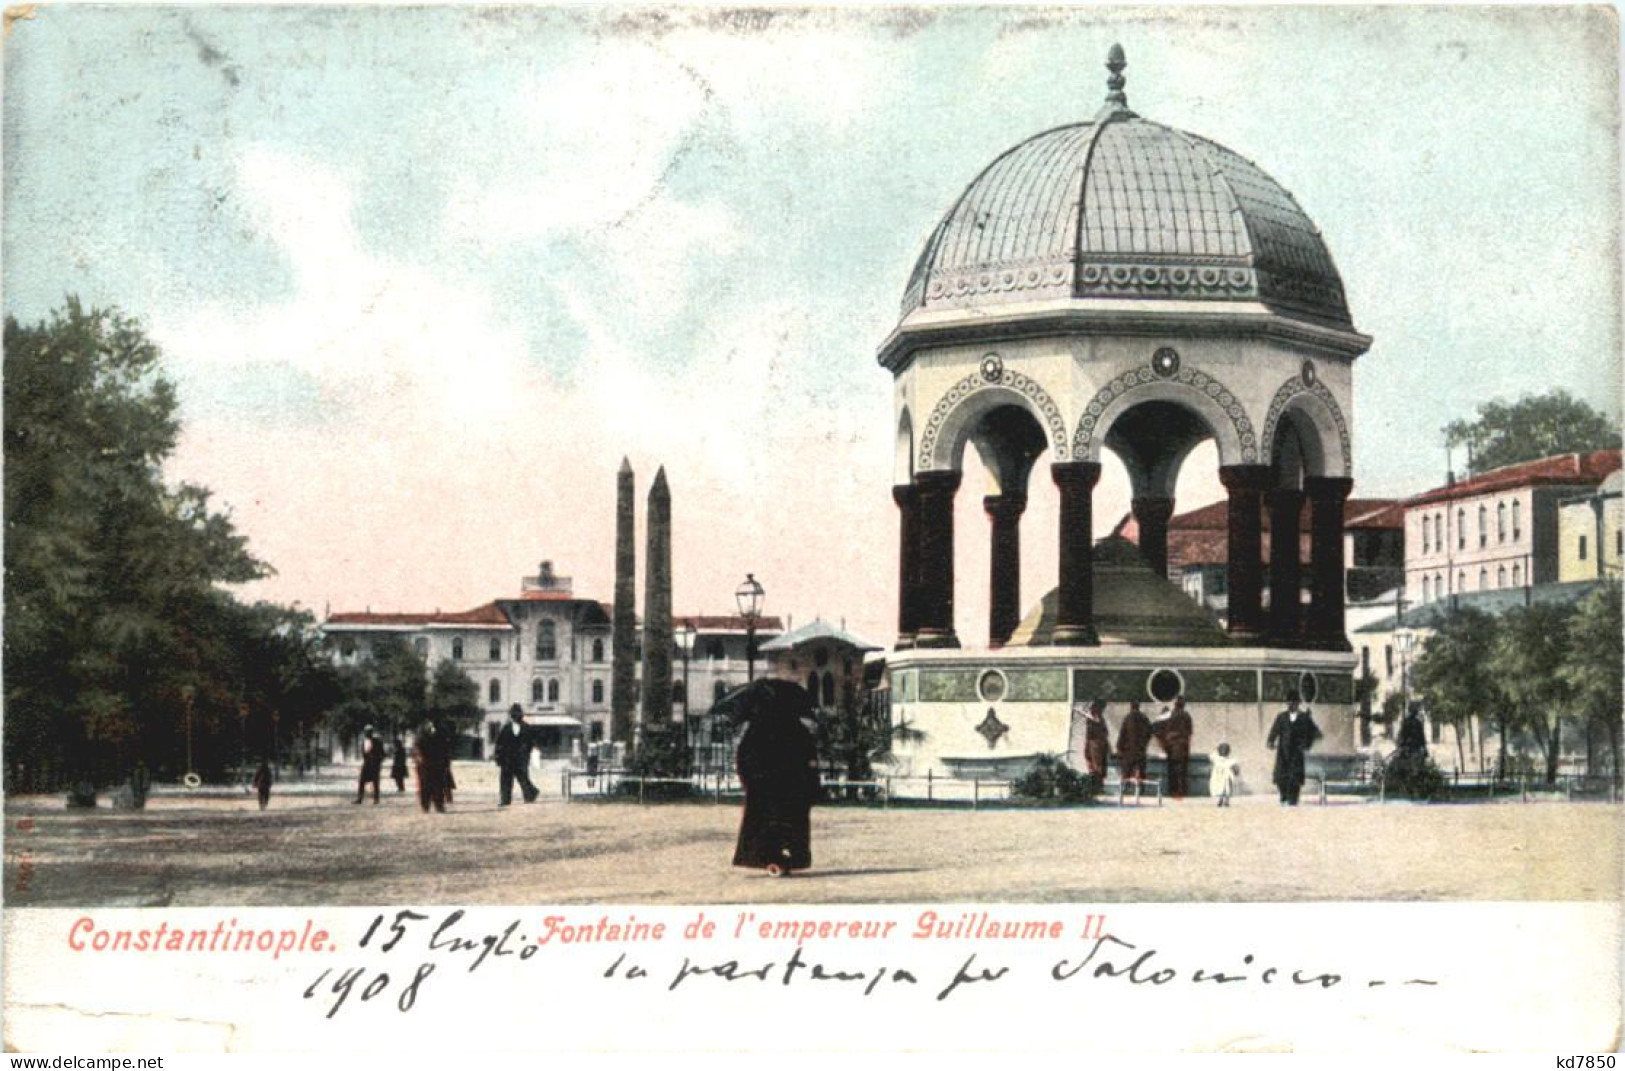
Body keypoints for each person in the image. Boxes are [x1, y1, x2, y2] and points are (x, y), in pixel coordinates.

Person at [724, 680, 820, 877]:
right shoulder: (797, 728)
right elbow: (809, 758)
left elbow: (744, 758)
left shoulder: (756, 728)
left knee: (765, 825)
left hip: (764, 787)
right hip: (791, 787)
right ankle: (786, 859)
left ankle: (770, 859)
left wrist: (749, 780)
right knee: (789, 825)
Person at [1266, 691, 1322, 805]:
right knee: (1280, 777)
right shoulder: (1281, 717)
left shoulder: (1304, 717)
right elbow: (1274, 731)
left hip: (1296, 753)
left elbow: (1316, 733)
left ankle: (1293, 799)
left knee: (1295, 778)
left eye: (1294, 703)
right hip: (1283, 752)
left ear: (1298, 704)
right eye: (1289, 702)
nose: (1291, 705)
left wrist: (1306, 744)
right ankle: (1283, 797)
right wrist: (1270, 741)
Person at [494, 704, 540, 806]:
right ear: (511, 715)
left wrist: (526, 754)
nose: (515, 716)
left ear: (521, 715)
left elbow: (531, 743)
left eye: (517, 714)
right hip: (507, 759)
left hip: (520, 759)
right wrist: (497, 757)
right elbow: (499, 743)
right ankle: (505, 800)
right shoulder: (506, 728)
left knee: (523, 778)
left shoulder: (526, 728)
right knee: (505, 780)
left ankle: (530, 795)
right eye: (514, 714)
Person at [1152, 698, 1195, 800]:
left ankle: (1173, 791)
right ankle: (1182, 791)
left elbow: (1155, 727)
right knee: (1182, 770)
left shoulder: (1169, 715)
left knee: (1172, 769)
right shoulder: (1187, 716)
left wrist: (1163, 743)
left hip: (1172, 747)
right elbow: (1190, 733)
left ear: (1175, 705)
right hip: (1183, 746)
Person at [413, 722, 449, 814]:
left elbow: (445, 750)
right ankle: (425, 806)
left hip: (437, 764)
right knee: (425, 786)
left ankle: (439, 806)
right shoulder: (421, 736)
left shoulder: (440, 736)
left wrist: (446, 763)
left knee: (438, 786)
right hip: (424, 765)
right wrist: (420, 759)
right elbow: (417, 750)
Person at [1116, 699, 1154, 786]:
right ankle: (1141, 790)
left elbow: (1122, 733)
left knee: (1126, 771)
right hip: (1140, 749)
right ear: (1138, 706)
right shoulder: (1144, 718)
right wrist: (1144, 743)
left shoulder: (1128, 718)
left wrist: (1119, 747)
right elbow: (1150, 731)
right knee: (1140, 771)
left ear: (1131, 706)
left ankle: (1125, 789)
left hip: (1129, 749)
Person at [1075, 700, 1111, 782]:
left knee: (1097, 765)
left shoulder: (1098, 718)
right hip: (1092, 742)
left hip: (1096, 743)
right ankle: (1095, 780)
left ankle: (1098, 782)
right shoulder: (1095, 718)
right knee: (1091, 763)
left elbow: (1103, 732)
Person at [354, 726, 384, 804]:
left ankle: (376, 799)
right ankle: (359, 798)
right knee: (361, 781)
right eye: (366, 732)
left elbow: (383, 754)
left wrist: (378, 761)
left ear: (371, 732)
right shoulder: (364, 742)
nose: (367, 733)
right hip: (366, 764)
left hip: (375, 765)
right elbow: (363, 753)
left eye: (369, 732)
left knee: (375, 782)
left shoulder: (377, 742)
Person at [1209, 742, 1239, 807]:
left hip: (1221, 777)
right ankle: (1224, 800)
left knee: (1223, 788)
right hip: (1224, 778)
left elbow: (1212, 756)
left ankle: (1223, 800)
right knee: (1225, 789)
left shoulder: (1217, 759)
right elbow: (1235, 768)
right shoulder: (1229, 761)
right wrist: (1236, 773)